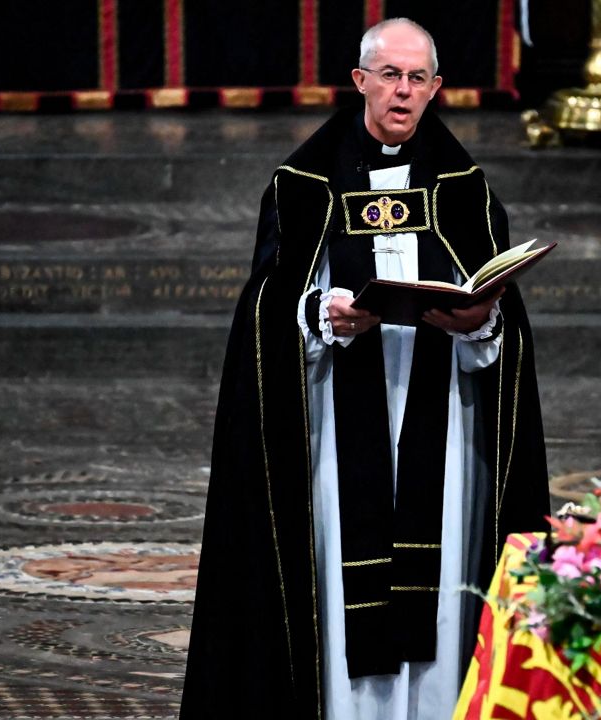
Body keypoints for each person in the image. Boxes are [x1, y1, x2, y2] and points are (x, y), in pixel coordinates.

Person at [181, 18, 550, 720]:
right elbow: (267, 306)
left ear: (437, 88)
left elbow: (500, 317)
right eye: (389, 75)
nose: (402, 92)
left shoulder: (464, 190)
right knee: (341, 593)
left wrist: (482, 323)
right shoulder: (305, 184)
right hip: (334, 432)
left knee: (440, 591)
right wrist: (322, 316)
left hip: (441, 432)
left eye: (417, 79)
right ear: (359, 82)